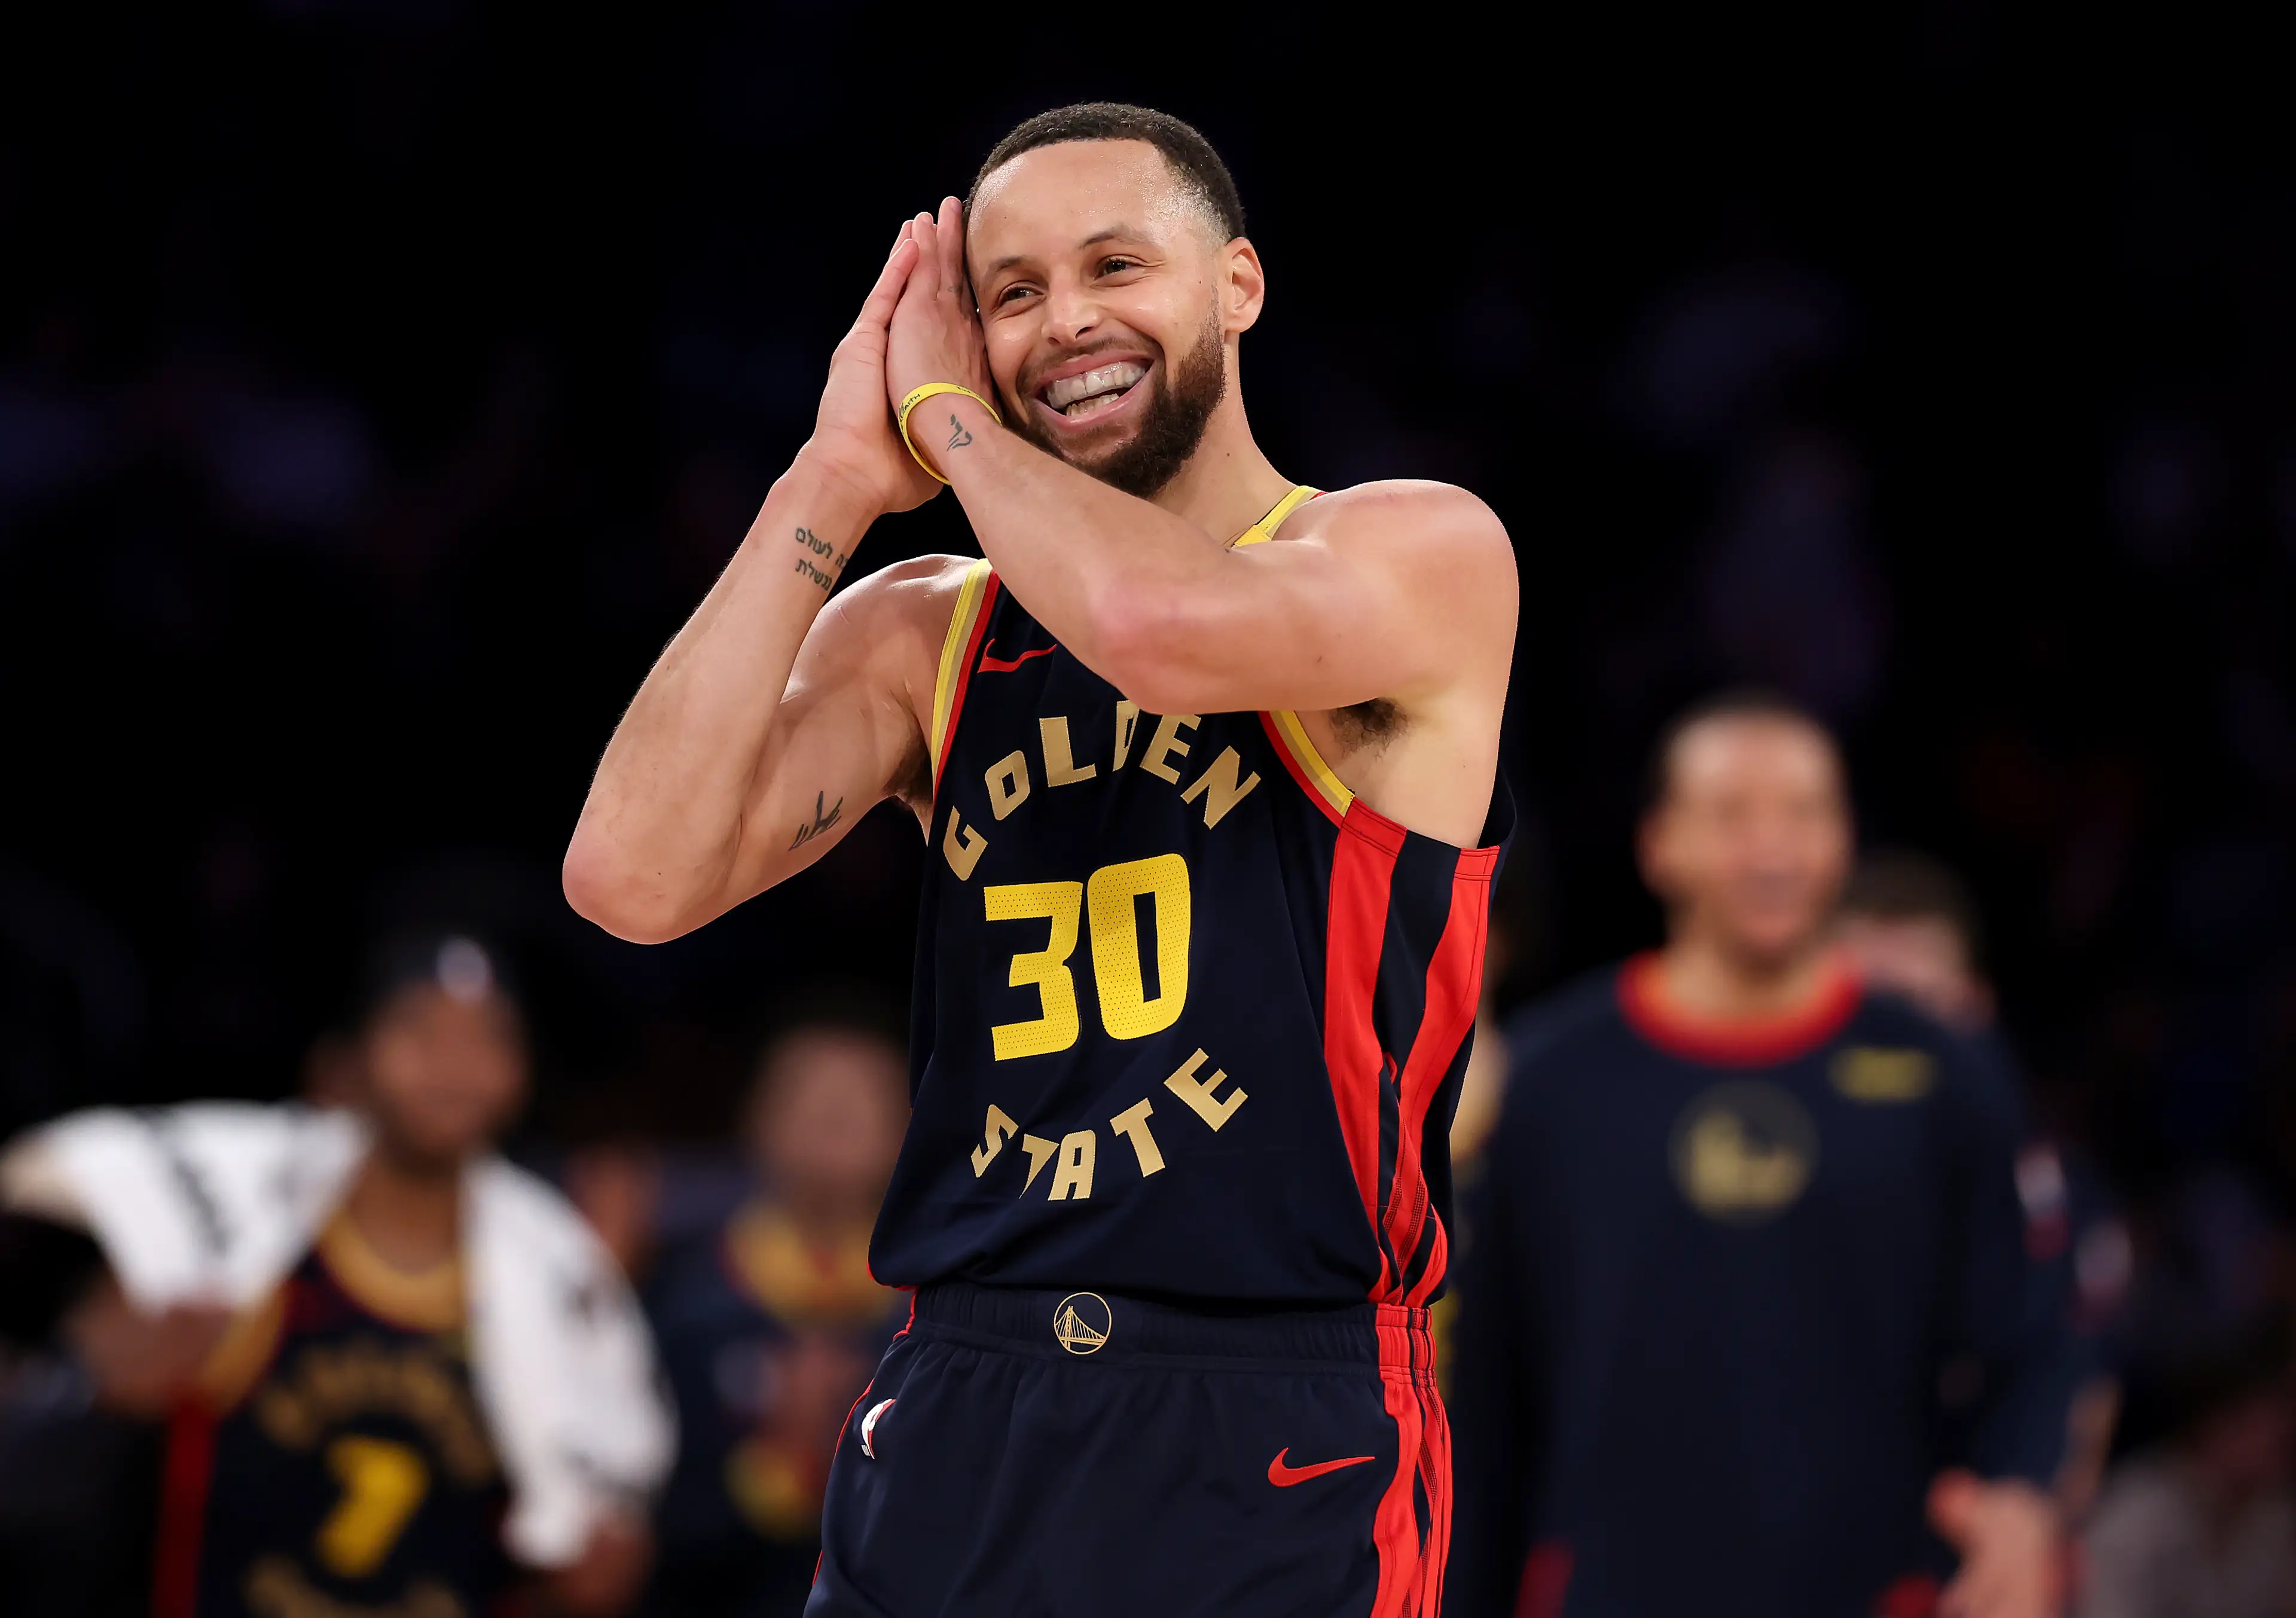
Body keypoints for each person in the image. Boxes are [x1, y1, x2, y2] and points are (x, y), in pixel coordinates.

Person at [563, 102, 1516, 1618]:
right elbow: (630, 874)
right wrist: (827, 475)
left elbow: (1160, 633)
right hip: (961, 1385)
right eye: (1009, 293)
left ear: (1237, 286)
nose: (1062, 322)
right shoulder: (930, 624)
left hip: (1270, 1401)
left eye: (1114, 266)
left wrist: (947, 420)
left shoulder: (1411, 552)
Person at [1445, 691, 2073, 1618]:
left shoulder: (1944, 1073)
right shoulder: (1551, 1080)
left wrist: (2021, 1498)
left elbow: (2031, 1332)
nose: (1773, 847)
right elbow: (1491, 1389)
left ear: (1845, 837)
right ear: (1659, 843)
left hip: (1878, 1586)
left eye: (1804, 811)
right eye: (1733, 814)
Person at [0, 933, 671, 1618]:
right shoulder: (228, 1240)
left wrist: (596, 1556)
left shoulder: (555, 1280)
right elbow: (52, 1462)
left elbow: (590, 1557)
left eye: (488, 1037)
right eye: (421, 1028)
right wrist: (103, 1397)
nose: (455, 1063)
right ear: (349, 1059)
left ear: (521, 1071)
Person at [1838, 850, 2133, 1527]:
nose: (1894, 1037)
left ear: (1973, 1010)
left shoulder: (2060, 1213)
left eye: (1919, 1005)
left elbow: (2070, 1449)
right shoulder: (1760, 1184)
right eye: (1867, 1005)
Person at [644, 1014, 911, 1618]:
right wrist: (776, 1467)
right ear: (757, 1117)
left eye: (865, 1095)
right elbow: (654, 1526)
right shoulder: (684, 1300)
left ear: (909, 1131)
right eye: (809, 1092)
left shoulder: (936, 1313)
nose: (836, 1114)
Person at [2078, 1313, 2295, 1618]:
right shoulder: (2138, 1511)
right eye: (2264, 1419)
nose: (2280, 1435)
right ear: (2217, 1420)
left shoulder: (2274, 1520)